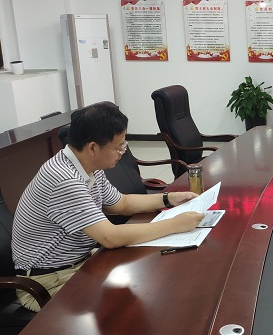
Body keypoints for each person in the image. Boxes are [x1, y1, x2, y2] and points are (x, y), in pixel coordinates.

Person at [12, 103, 204, 311]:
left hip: (80, 263)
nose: (122, 152)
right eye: (119, 146)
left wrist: (169, 199)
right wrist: (175, 224)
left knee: (148, 279)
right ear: (93, 148)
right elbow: (110, 237)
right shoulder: (64, 180)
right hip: (48, 282)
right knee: (131, 304)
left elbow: (121, 204)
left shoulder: (88, 166)